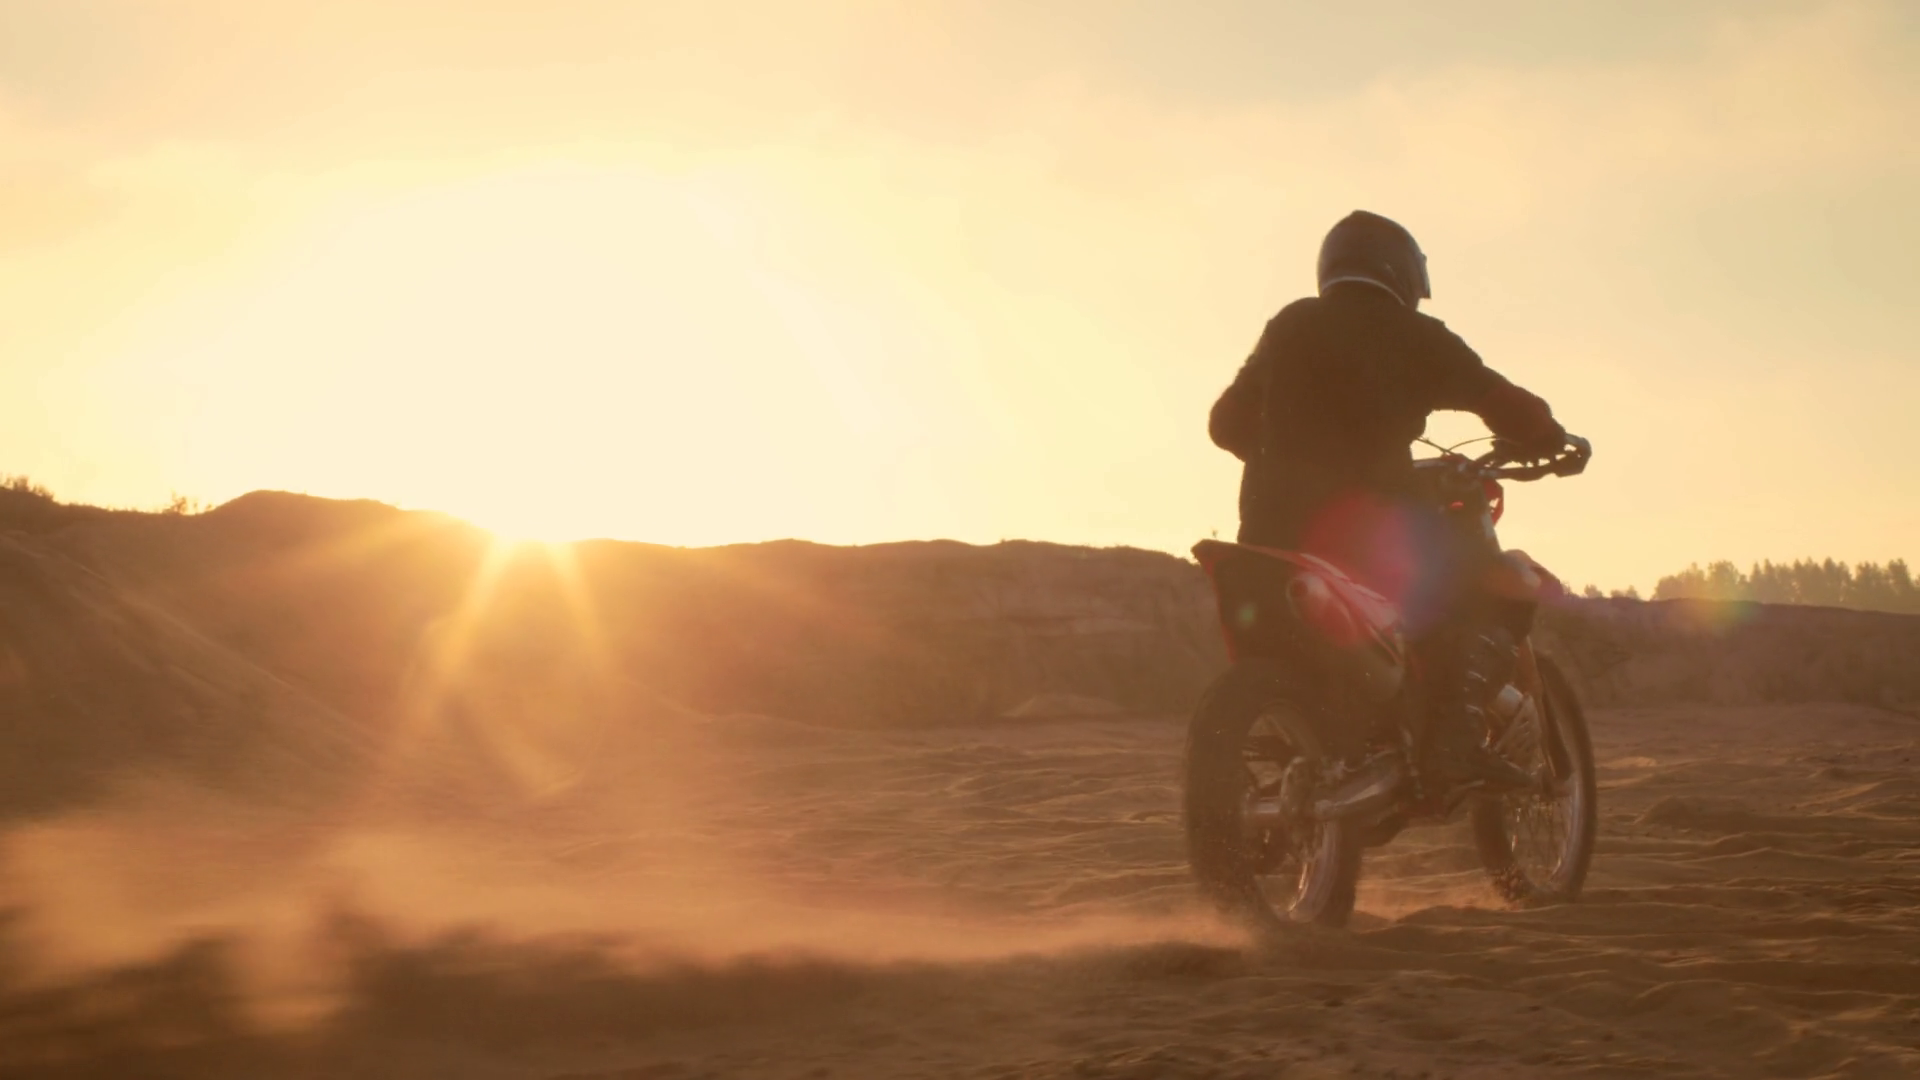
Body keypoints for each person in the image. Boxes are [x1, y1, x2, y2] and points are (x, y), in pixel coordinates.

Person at [1208, 210, 1567, 790]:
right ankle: (1451, 739)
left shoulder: (1292, 324)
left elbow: (1225, 424)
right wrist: (1551, 437)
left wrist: (1287, 452)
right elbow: (1504, 404)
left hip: (1270, 529)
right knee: (1484, 583)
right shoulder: (1418, 336)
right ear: (1402, 273)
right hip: (1370, 527)